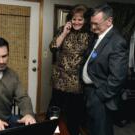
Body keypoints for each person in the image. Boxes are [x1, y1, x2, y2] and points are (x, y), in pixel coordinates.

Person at [81, 4, 129, 135]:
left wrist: (100, 96)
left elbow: (118, 78)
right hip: (90, 92)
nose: (92, 27)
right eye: (91, 23)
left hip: (101, 97)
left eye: (96, 24)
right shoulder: (98, 35)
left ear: (109, 21)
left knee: (101, 131)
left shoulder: (117, 42)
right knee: (92, 129)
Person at [48, 4, 93, 135]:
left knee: (74, 114)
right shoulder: (62, 29)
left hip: (77, 81)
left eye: (80, 19)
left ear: (85, 20)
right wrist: (64, 33)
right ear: (70, 19)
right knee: (54, 110)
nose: (76, 22)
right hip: (60, 79)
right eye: (74, 19)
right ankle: (50, 131)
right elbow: (53, 48)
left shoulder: (90, 34)